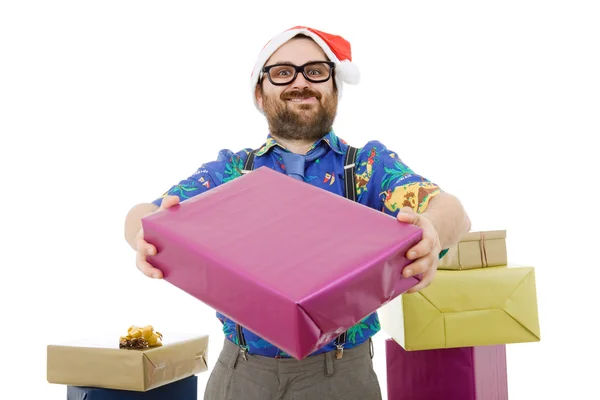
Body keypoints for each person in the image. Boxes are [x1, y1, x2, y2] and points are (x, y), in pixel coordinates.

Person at [124, 26, 471, 400]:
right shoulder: (231, 172)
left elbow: (452, 211)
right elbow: (142, 213)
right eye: (283, 72)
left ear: (335, 87)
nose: (301, 82)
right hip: (241, 375)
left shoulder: (368, 166)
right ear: (260, 92)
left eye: (316, 71)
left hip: (340, 377)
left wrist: (432, 231)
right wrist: (141, 233)